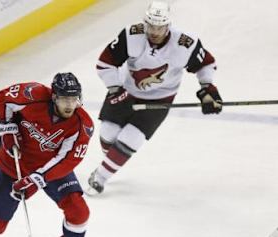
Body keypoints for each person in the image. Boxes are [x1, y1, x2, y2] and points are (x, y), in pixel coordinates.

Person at [87, 0, 222, 195]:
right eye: (151, 26)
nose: (155, 31)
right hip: (125, 90)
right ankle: (111, 160)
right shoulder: (131, 35)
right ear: (145, 22)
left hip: (160, 98)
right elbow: (104, 63)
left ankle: (100, 176)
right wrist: (115, 89)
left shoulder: (185, 43)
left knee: (130, 139)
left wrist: (207, 88)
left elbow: (206, 64)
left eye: (160, 27)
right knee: (108, 134)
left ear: (168, 25)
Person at [0, 73, 97, 237]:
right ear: (54, 97)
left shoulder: (82, 124)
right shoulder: (33, 94)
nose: (70, 104)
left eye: (74, 99)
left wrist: (38, 178)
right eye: (65, 99)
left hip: (52, 169)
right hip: (14, 165)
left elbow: (67, 160)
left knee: (79, 210)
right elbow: (4, 98)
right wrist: (7, 129)